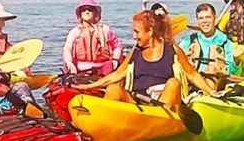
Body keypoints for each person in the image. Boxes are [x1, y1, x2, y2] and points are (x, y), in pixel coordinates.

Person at [77, 9, 217, 113]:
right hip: (137, 103)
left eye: (137, 32)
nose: (133, 36)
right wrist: (89, 86)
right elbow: (115, 75)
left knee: (174, 83)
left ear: (150, 31)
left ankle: (157, 117)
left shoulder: (172, 50)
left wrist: (211, 93)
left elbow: (192, 74)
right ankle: (101, 118)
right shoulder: (135, 52)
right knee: (114, 87)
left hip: (163, 104)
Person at [61, 0, 123, 78]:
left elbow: (117, 46)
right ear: (80, 13)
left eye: (90, 9)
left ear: (95, 13)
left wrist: (115, 59)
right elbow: (67, 48)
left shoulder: (105, 30)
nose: (87, 12)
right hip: (80, 69)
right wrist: (69, 62)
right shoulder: (75, 32)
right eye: (83, 9)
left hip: (103, 68)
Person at [179, 2, 239, 80]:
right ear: (197, 20)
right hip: (191, 80)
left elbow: (231, 69)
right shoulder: (189, 40)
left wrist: (236, 62)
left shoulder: (225, 42)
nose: (204, 21)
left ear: (215, 18)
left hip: (214, 81)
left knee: (211, 70)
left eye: (208, 17)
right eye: (201, 18)